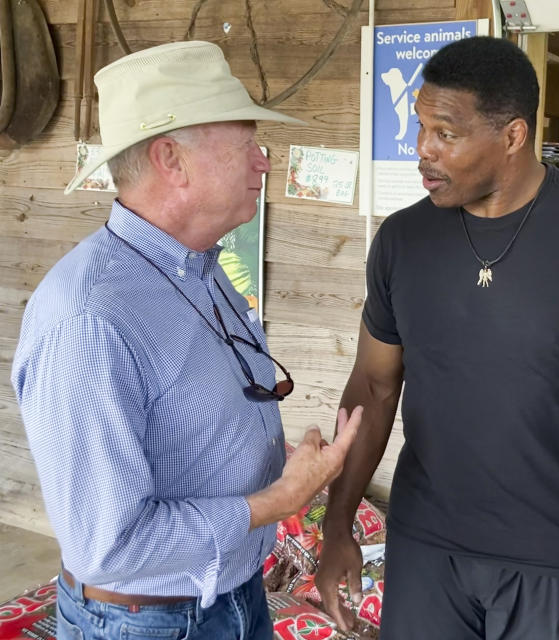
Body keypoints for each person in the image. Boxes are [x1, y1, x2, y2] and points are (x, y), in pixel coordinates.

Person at [313, 36, 559, 640]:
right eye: (421, 128)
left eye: (446, 135)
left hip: (555, 555)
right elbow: (374, 387)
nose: (423, 151)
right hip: (427, 546)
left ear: (512, 137)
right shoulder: (403, 242)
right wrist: (337, 523)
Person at [11, 41, 362, 639]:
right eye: (248, 142)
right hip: (147, 622)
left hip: (229, 594)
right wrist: (276, 500)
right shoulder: (89, 317)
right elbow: (108, 547)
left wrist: (288, 468)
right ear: (171, 158)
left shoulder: (197, 266)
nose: (263, 162)